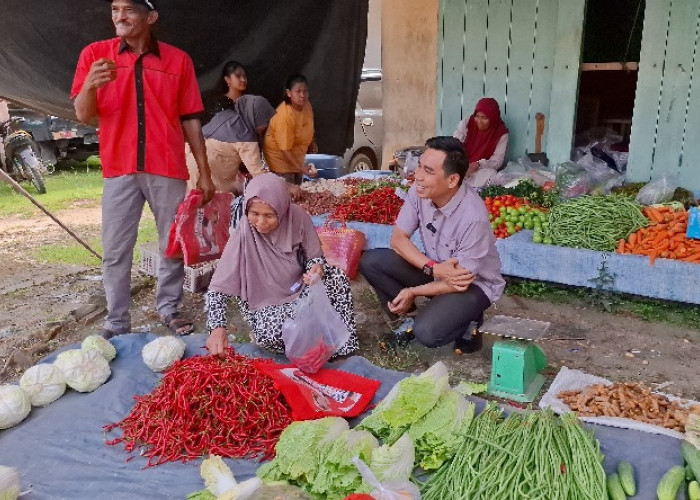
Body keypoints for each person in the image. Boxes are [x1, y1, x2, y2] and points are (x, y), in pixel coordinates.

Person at [71, 0, 215, 338]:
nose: (119, 17)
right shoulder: (95, 54)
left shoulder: (178, 60)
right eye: (114, 10)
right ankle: (117, 321)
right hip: (119, 168)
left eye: (128, 10)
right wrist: (90, 84)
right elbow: (82, 114)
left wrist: (204, 171)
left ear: (150, 17)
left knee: (172, 243)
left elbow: (191, 118)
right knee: (116, 248)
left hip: (166, 165)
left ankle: (168, 307)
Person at [359, 136, 505, 351]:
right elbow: (398, 240)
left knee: (427, 333)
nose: (417, 176)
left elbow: (459, 282)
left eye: (428, 171)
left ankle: (469, 320)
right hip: (437, 269)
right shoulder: (419, 193)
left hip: (471, 285)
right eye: (419, 167)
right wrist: (433, 267)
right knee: (372, 261)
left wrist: (413, 291)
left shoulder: (473, 217)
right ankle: (407, 319)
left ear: (452, 180)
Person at [205, 172, 358, 356]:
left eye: (269, 215)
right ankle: (309, 344)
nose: (261, 222)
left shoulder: (298, 217)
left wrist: (315, 269)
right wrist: (217, 327)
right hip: (266, 301)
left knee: (337, 279)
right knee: (271, 332)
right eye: (254, 214)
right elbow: (219, 286)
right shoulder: (244, 233)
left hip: (300, 285)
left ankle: (340, 345)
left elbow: (315, 258)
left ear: (282, 209)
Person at [186, 61, 275, 193]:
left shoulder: (229, 117)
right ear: (227, 80)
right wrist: (284, 186)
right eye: (238, 76)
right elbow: (258, 173)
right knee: (207, 204)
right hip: (206, 170)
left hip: (195, 164)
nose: (266, 125)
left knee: (202, 205)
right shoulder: (244, 133)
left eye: (245, 76)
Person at [263, 74, 318, 199]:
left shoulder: (307, 105)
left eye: (305, 91)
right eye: (298, 91)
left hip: (297, 156)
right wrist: (301, 168)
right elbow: (284, 149)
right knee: (287, 195)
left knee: (299, 191)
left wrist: (312, 142)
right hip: (280, 160)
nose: (302, 95)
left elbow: (308, 124)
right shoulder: (285, 116)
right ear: (289, 93)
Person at [453, 97, 509, 188]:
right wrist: (460, 163)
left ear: (493, 117)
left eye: (484, 118)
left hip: (478, 170)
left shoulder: (501, 133)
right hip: (460, 165)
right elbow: (454, 145)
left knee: (491, 173)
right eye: (477, 116)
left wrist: (479, 164)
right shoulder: (468, 122)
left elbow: (497, 161)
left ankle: (463, 187)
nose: (479, 121)